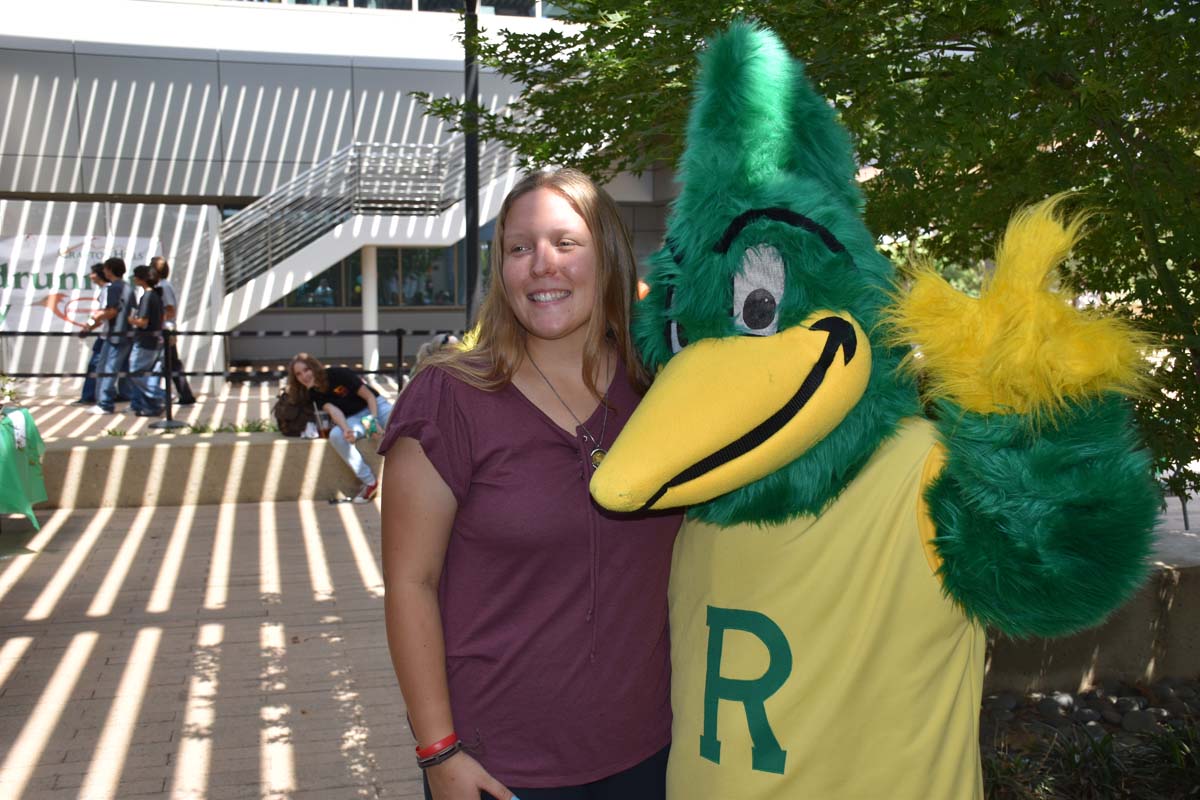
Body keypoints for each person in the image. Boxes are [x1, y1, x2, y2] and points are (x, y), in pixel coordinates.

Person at [377, 168, 681, 800]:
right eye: (519, 248)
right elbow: (411, 584)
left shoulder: (662, 391)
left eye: (566, 243)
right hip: (497, 768)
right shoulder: (449, 398)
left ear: (609, 259)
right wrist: (439, 753)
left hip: (652, 754)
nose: (542, 264)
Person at [287, 353, 392, 502]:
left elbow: (369, 396)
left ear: (314, 367)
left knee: (400, 425)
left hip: (376, 407)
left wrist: (373, 421)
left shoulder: (338, 374)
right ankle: (370, 482)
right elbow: (334, 411)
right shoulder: (313, 393)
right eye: (299, 374)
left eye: (306, 370)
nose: (304, 376)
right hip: (355, 418)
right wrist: (346, 429)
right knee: (336, 435)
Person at [85, 257, 136, 415]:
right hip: (124, 333)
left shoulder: (114, 288)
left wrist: (96, 317)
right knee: (108, 368)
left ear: (110, 270)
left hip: (116, 335)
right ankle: (109, 401)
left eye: (106, 269)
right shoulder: (127, 287)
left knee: (108, 369)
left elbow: (112, 311)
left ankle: (105, 403)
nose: (104, 272)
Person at [150, 256, 197, 405]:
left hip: (166, 330)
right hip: (166, 328)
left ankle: (177, 395)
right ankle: (184, 394)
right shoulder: (162, 285)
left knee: (168, 363)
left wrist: (156, 320)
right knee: (171, 364)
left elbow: (170, 310)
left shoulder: (163, 287)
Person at [125, 265, 165, 417]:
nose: (134, 279)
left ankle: (160, 395)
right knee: (149, 374)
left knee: (136, 372)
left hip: (145, 341)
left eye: (135, 276)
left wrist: (131, 320)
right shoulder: (156, 295)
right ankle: (151, 407)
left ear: (141, 278)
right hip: (155, 340)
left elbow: (143, 321)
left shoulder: (147, 296)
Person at [75, 263, 109, 405]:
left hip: (109, 335)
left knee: (94, 364)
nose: (91, 276)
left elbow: (102, 314)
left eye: (93, 273)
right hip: (109, 334)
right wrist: (89, 327)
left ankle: (89, 396)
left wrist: (88, 326)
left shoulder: (107, 291)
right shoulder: (105, 290)